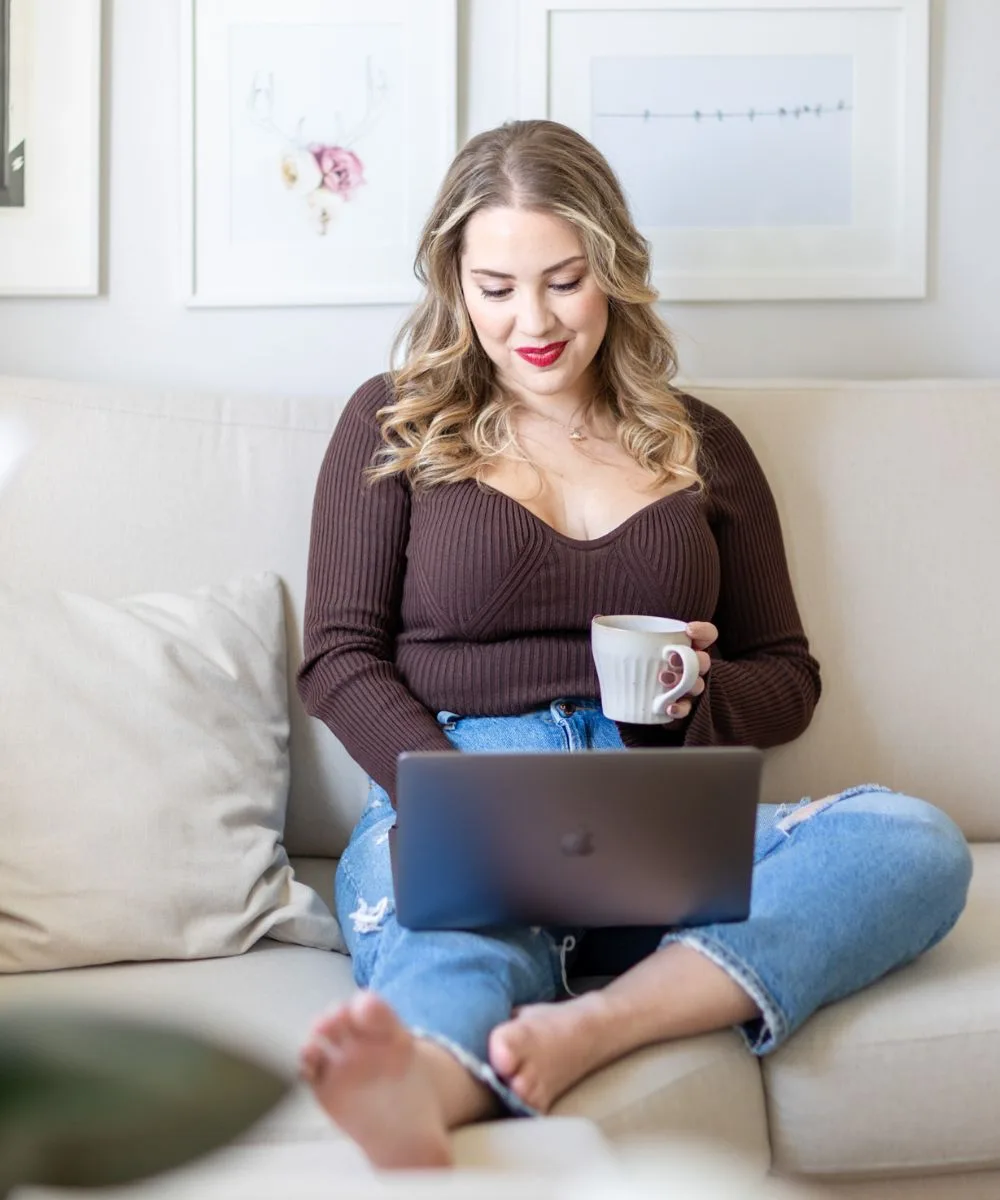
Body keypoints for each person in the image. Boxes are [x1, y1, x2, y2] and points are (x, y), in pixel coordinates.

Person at [295, 119, 972, 1169]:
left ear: (612, 267)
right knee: (457, 940)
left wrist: (695, 698)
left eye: (563, 281)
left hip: (658, 818)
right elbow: (336, 655)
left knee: (911, 841)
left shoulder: (702, 444)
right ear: (452, 282)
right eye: (495, 286)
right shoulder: (392, 423)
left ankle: (596, 1025)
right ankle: (425, 1084)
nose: (531, 321)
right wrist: (457, 800)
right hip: (460, 782)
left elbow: (787, 672)